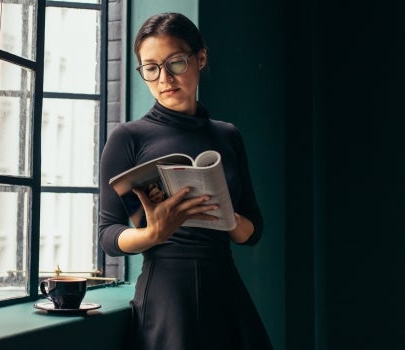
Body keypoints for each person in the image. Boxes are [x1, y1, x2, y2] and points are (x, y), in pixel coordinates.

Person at [98, 12, 273, 350]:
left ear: (200, 58)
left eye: (175, 62)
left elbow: (254, 230)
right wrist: (152, 234)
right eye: (150, 68)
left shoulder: (228, 135)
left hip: (225, 286)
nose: (164, 78)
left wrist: (229, 219)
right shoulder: (127, 138)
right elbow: (107, 234)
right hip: (166, 292)